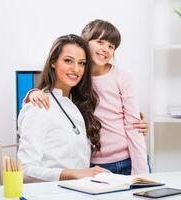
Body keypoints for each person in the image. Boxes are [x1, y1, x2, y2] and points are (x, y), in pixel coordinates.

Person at [24, 20, 149, 175]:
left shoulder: (120, 78)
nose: (106, 49)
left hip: (125, 160)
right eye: (100, 42)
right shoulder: (78, 78)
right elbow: (55, 90)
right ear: (85, 43)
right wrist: (32, 93)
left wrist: (141, 172)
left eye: (111, 46)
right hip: (91, 163)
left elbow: (134, 126)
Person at [17, 34, 109, 182]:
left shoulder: (76, 104)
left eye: (82, 63)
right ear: (53, 62)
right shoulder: (39, 106)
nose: (76, 69)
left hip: (81, 190)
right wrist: (73, 174)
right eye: (68, 61)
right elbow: (24, 170)